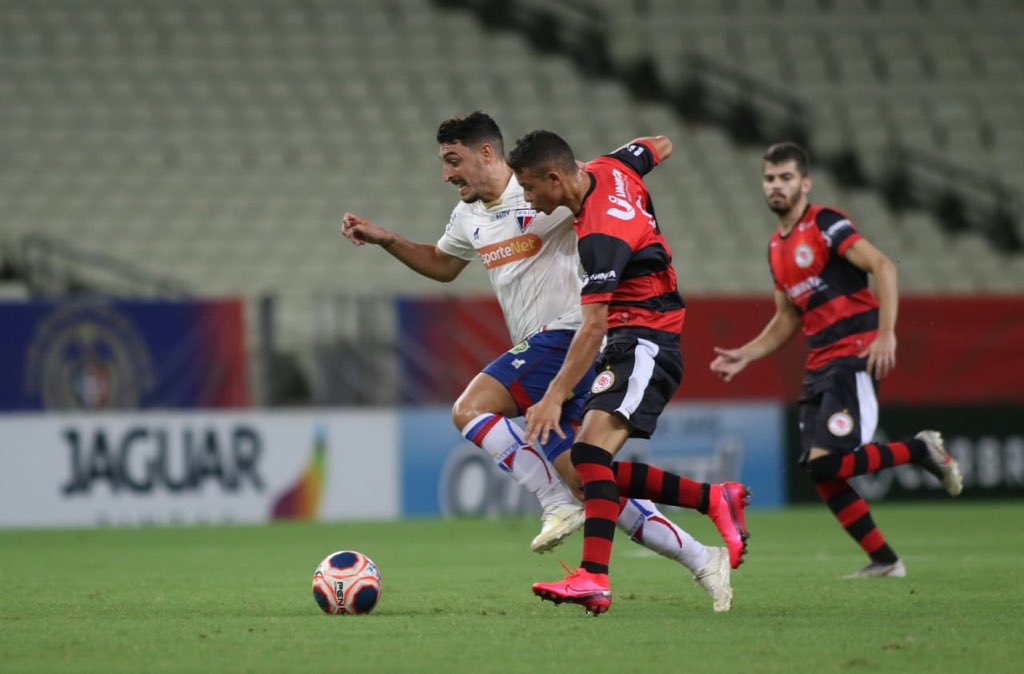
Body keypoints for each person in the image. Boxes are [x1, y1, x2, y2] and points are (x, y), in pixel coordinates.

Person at [341, 112, 735, 611]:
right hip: (546, 352)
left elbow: (608, 176)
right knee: (594, 483)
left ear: (488, 153)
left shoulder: (545, 190)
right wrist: (390, 240)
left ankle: (553, 505)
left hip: (571, 335)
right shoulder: (468, 217)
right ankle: (705, 559)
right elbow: (443, 266)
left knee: (469, 409)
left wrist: (625, 172)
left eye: (453, 160)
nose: (446, 174)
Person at [508, 129, 751, 616]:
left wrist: (555, 394)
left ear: (556, 177)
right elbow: (660, 144)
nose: (529, 200)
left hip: (645, 339)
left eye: (532, 189)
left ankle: (595, 579)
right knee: (589, 464)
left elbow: (593, 325)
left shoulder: (600, 236)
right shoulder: (612, 168)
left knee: (589, 457)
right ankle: (713, 498)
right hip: (633, 339)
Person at [710, 141, 963, 578]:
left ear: (804, 183)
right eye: (770, 178)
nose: (776, 186)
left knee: (827, 461)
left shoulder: (826, 224)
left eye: (786, 177)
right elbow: (787, 316)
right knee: (821, 470)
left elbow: (883, 266)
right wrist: (746, 354)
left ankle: (921, 449)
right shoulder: (776, 247)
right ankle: (885, 560)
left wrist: (886, 334)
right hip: (819, 362)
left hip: (855, 353)